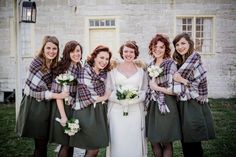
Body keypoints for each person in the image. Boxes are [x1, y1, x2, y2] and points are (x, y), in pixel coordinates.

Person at [16, 35, 69, 157]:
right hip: (35, 106)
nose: (51, 51)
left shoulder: (54, 64)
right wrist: (57, 94)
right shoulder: (37, 63)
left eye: (54, 48)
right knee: (40, 144)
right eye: (48, 48)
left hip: (47, 105)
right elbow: (32, 91)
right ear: (43, 48)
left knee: (43, 143)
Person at [172, 32, 216, 157]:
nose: (180, 47)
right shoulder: (180, 62)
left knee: (194, 140)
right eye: (177, 44)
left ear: (190, 44)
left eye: (183, 43)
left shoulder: (195, 59)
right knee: (185, 140)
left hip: (193, 103)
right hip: (181, 103)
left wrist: (181, 80)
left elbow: (200, 83)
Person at [105, 41, 148, 157]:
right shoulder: (112, 70)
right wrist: (121, 100)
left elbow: (144, 91)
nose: (128, 54)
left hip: (135, 111)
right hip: (116, 111)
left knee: (134, 139)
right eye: (126, 51)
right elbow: (108, 90)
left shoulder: (141, 72)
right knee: (117, 138)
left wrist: (132, 100)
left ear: (135, 53)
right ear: (121, 52)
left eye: (131, 52)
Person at [69, 45, 112, 157]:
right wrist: (105, 96)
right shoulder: (84, 72)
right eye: (101, 58)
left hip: (99, 112)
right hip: (85, 112)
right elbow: (88, 96)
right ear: (94, 57)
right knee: (91, 149)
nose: (104, 61)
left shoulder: (104, 74)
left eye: (107, 59)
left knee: (94, 149)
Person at [145, 34, 182, 157]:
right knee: (154, 141)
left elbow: (175, 90)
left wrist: (157, 88)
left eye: (161, 47)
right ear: (151, 48)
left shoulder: (170, 64)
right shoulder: (150, 65)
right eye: (155, 47)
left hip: (166, 104)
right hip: (153, 104)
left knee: (166, 141)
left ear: (166, 49)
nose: (158, 49)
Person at [49, 40, 83, 157]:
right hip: (62, 108)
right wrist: (63, 116)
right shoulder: (62, 68)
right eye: (72, 51)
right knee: (65, 143)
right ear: (67, 53)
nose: (76, 54)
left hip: (73, 107)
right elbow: (58, 94)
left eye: (78, 51)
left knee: (71, 142)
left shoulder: (78, 66)